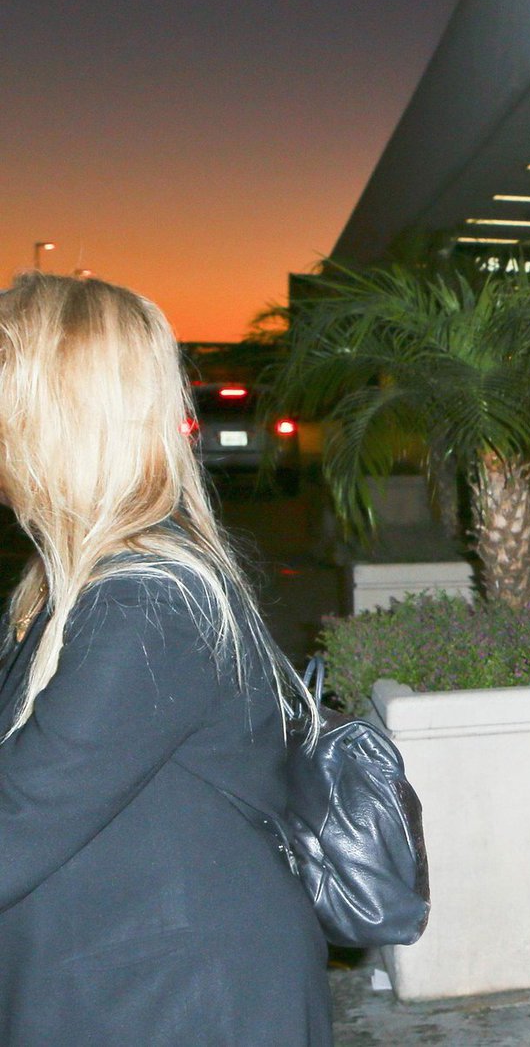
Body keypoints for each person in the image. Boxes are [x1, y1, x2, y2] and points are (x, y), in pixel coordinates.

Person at [0, 273, 331, 1044]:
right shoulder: (71, 581)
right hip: (115, 976)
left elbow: (18, 825)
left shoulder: (145, 602)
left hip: (178, 999)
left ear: (47, 414)